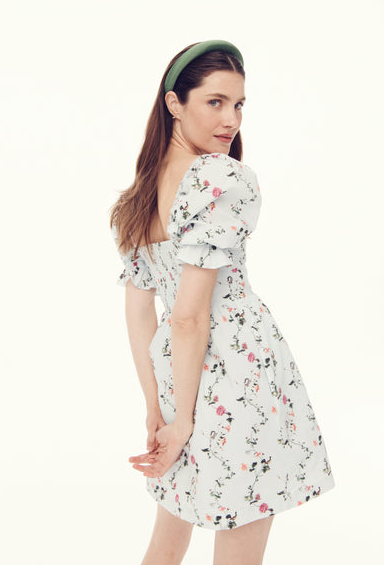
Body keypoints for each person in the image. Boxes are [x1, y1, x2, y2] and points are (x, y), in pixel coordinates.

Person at [109, 40, 336, 565]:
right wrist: (184, 422)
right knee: (239, 545)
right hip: (237, 374)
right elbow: (189, 318)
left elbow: (141, 314)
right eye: (215, 102)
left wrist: (159, 409)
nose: (231, 119)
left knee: (168, 540)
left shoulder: (140, 196)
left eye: (238, 104)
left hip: (176, 377)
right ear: (174, 103)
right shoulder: (218, 177)